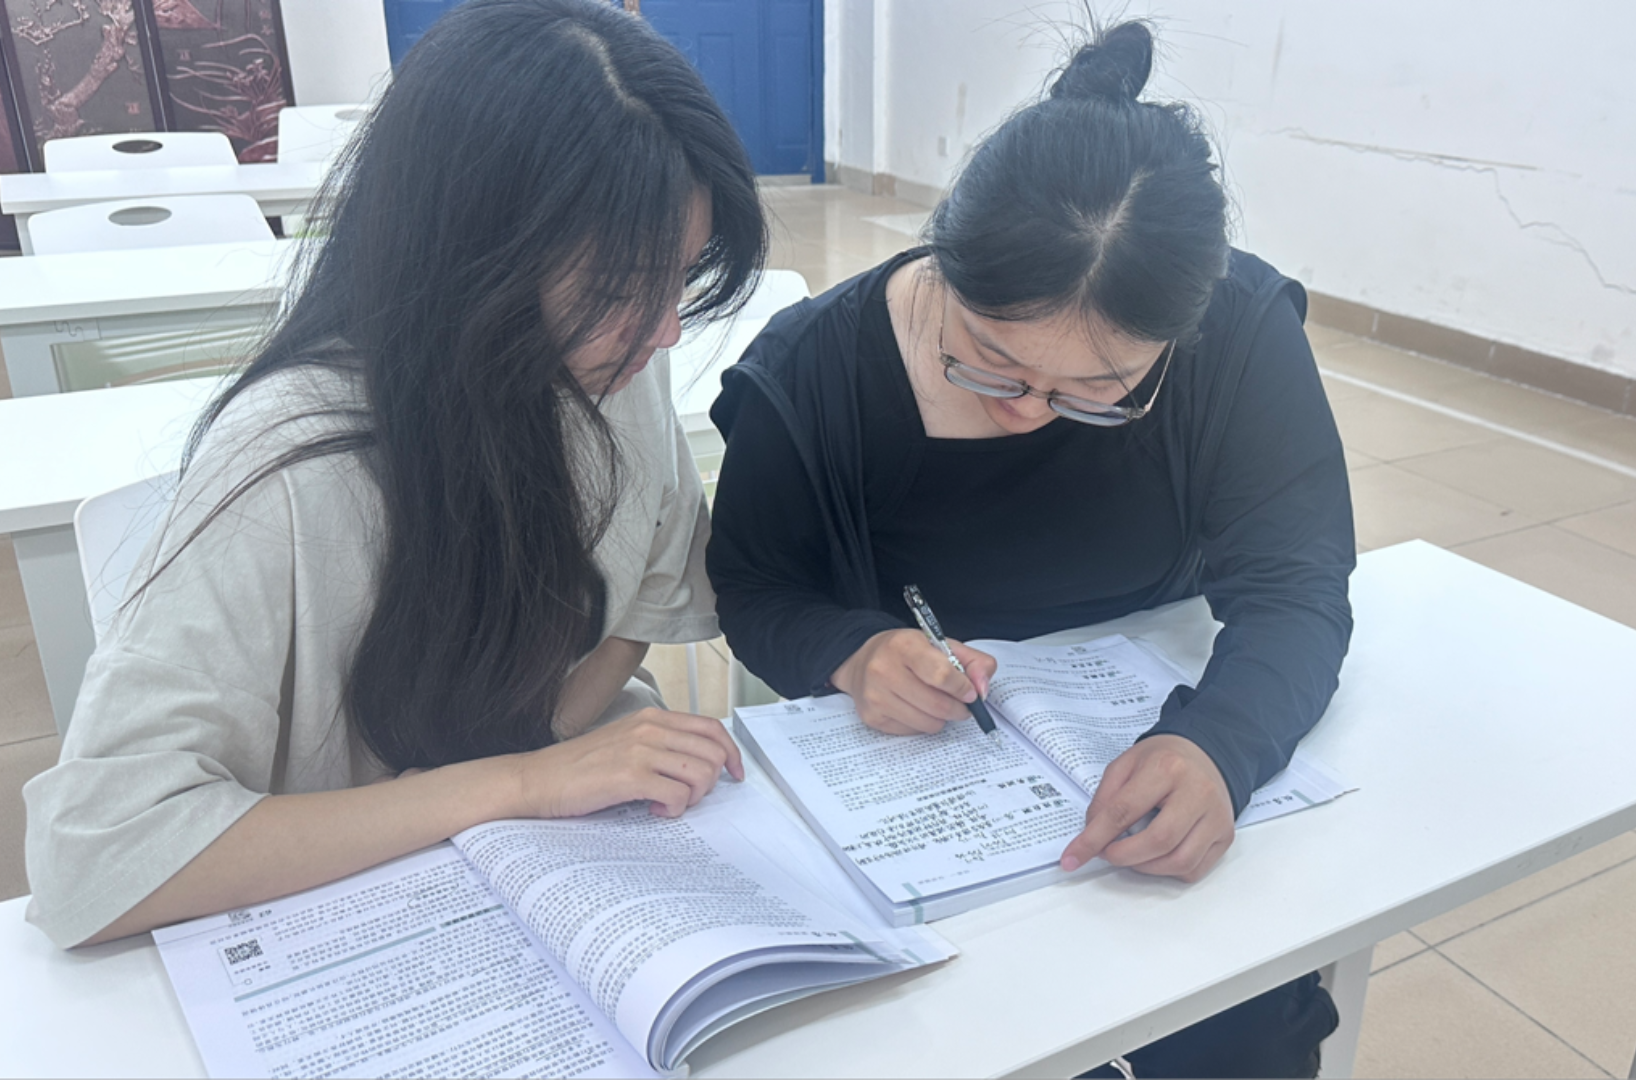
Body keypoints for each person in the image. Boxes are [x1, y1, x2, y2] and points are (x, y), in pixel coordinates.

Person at [23, 0, 766, 950]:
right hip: (354, 911)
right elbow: (94, 861)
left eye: (681, 278)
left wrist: (549, 747)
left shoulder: (617, 368)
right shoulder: (287, 467)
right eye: (622, 290)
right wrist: (520, 782)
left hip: (537, 863)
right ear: (475, 257)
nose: (664, 332)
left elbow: (651, 592)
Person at [706, 21, 1354, 1079]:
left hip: (1142, 812)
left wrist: (1221, 746)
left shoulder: (1237, 332)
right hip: (926, 817)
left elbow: (1297, 584)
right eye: (989, 361)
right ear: (944, 265)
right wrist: (853, 652)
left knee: (1239, 1035)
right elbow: (755, 586)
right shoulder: (814, 374)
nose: (1026, 411)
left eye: (1098, 391)